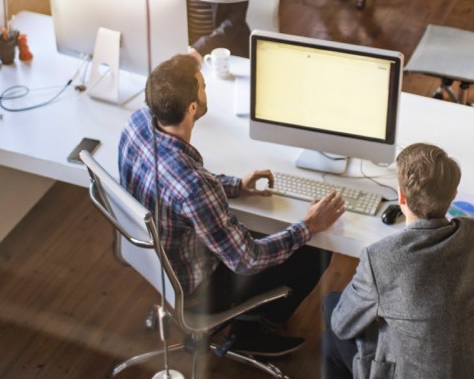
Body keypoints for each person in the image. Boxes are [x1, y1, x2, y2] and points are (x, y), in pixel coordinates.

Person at [118, 53, 346, 356]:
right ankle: (251, 329)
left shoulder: (137, 124)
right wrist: (309, 226)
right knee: (316, 250)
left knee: (261, 226)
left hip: (153, 261)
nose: (205, 88)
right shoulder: (194, 186)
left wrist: (236, 186)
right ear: (192, 107)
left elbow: (178, 184)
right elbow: (247, 260)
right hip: (199, 289)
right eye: (202, 85)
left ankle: (251, 322)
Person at [322, 142, 474, 379]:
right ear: (454, 195)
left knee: (332, 310)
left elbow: (342, 326)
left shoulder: (381, 258)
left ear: (401, 197)